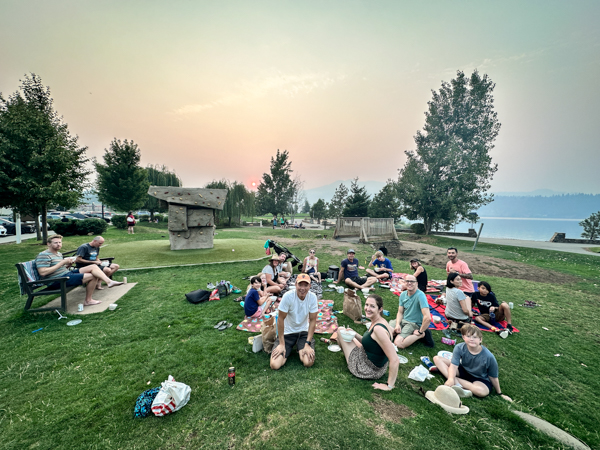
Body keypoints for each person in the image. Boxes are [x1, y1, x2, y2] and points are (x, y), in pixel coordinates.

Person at [35, 235, 123, 307]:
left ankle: (109, 282)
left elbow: (59, 268)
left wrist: (67, 265)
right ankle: (88, 300)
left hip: (65, 274)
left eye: (60, 242)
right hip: (57, 280)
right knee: (92, 276)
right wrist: (62, 262)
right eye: (55, 243)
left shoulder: (58, 254)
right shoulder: (43, 255)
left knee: (93, 267)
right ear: (48, 244)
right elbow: (43, 272)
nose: (58, 244)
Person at [433, 324, 512, 401]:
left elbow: (493, 377)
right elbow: (454, 366)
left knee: (481, 392)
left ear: (480, 339)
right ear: (463, 337)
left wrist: (499, 393)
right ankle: (454, 382)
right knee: (437, 358)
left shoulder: (489, 357)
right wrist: (450, 379)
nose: (471, 339)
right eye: (468, 336)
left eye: (475, 337)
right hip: (464, 371)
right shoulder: (459, 347)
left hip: (479, 378)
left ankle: (453, 379)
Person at [337, 294, 399, 391]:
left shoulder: (378, 329)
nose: (368, 309)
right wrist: (354, 333)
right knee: (347, 333)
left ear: (380, 309)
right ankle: (347, 350)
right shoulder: (381, 321)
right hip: (375, 364)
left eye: (372, 306)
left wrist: (389, 386)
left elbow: (395, 359)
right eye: (366, 305)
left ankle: (347, 354)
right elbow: (370, 342)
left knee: (340, 330)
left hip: (367, 369)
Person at [270, 274, 318, 370]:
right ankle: (290, 346)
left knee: (308, 362)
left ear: (310, 286)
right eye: (300, 285)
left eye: (306, 285)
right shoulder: (288, 296)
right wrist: (282, 344)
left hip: (303, 332)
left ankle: (300, 346)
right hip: (287, 333)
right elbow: (280, 319)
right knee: (275, 365)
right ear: (295, 284)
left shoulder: (312, 297)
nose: (302, 288)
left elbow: (313, 320)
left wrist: (307, 343)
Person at [393, 274, 433, 349]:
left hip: (413, 323)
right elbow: (400, 312)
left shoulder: (420, 295)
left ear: (416, 283)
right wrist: (397, 324)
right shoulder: (403, 294)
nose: (409, 283)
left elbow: (428, 318)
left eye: (412, 281)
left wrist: (420, 331)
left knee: (398, 343)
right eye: (407, 281)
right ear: (404, 283)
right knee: (387, 332)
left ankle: (421, 335)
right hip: (403, 320)